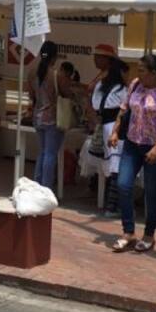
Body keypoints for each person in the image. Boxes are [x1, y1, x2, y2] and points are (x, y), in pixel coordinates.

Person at [108, 54, 156, 254]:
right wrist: (115, 131)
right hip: (132, 143)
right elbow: (123, 110)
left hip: (154, 146)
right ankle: (128, 231)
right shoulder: (135, 85)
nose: (137, 73)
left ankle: (149, 234)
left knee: (151, 190)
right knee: (123, 184)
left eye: (141, 70)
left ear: (153, 73)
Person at [80, 45, 128, 216]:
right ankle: (112, 206)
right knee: (115, 168)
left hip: (105, 126)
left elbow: (94, 105)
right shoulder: (121, 89)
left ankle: (110, 202)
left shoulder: (101, 84)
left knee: (111, 166)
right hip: (114, 128)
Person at [29, 40, 75, 193]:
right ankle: (46, 188)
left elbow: (31, 95)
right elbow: (68, 94)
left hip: (37, 116)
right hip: (53, 118)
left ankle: (37, 184)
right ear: (54, 57)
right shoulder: (56, 75)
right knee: (50, 154)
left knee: (42, 152)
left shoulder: (32, 72)